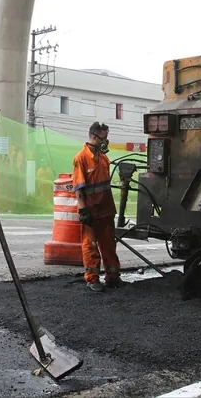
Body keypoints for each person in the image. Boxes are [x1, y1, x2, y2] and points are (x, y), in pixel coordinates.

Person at [73, 122, 122, 292]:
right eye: (104, 138)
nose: (106, 141)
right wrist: (83, 209)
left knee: (109, 245)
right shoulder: (81, 158)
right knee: (91, 245)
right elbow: (79, 187)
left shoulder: (103, 157)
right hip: (91, 211)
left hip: (106, 209)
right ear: (94, 137)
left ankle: (113, 277)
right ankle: (92, 279)